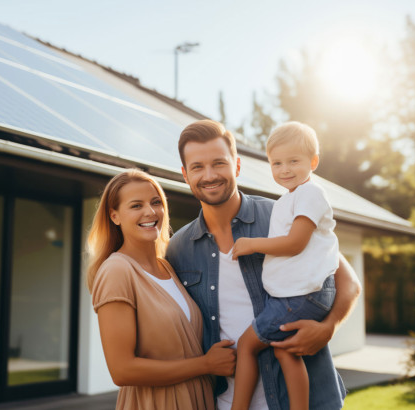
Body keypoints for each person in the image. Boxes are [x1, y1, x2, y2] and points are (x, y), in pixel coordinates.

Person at [166, 119, 361, 410]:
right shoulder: (179, 248)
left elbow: (349, 283)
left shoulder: (282, 215)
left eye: (219, 163)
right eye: (197, 167)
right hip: (226, 399)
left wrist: (328, 328)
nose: (209, 175)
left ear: (237, 166)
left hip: (302, 398)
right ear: (185, 174)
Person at [87, 169, 236, 410]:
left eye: (156, 202)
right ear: (114, 216)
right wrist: (206, 365)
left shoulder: (167, 266)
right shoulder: (117, 270)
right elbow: (122, 370)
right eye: (136, 206)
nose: (150, 211)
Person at [230, 122, 339, 410]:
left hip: (299, 296)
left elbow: (295, 243)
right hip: (300, 293)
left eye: (294, 161)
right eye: (276, 163)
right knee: (286, 352)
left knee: (247, 345)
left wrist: (252, 244)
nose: (284, 169)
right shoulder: (289, 199)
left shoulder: (309, 194)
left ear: (313, 162)